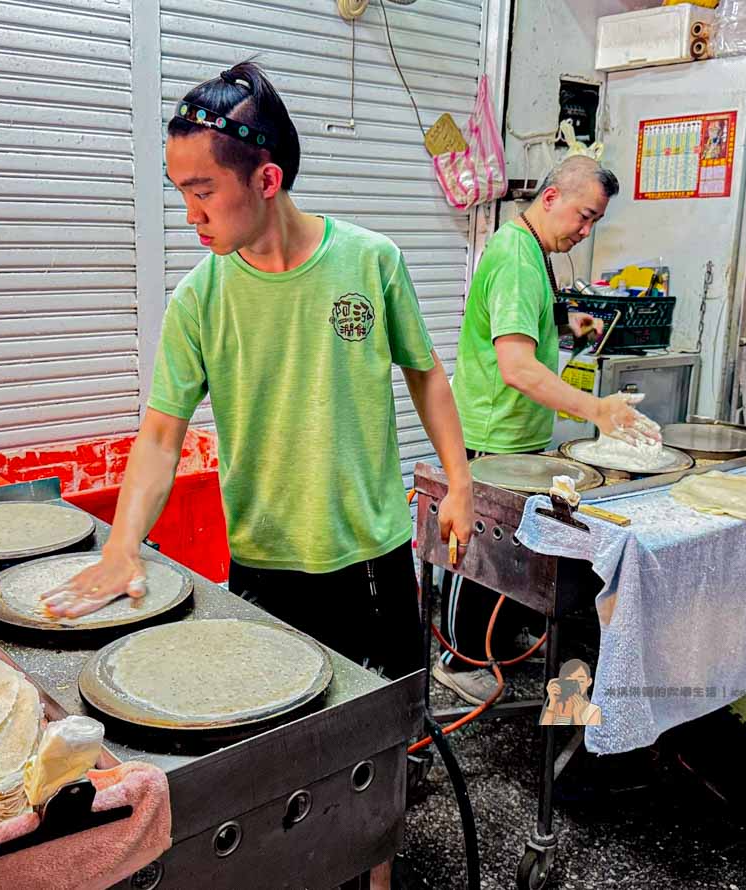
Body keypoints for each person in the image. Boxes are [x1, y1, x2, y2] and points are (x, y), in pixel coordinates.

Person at [42, 61, 474, 890]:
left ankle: (376, 879)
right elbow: (162, 435)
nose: (191, 213)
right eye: (180, 192)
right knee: (280, 758)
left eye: (203, 190)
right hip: (265, 567)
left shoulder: (370, 262)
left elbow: (426, 374)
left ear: (266, 178)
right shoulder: (199, 298)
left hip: (372, 557)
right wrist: (123, 546)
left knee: (379, 740)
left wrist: (456, 482)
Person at [435, 155, 660, 706]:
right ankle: (458, 659)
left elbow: (523, 321)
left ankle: (499, 638)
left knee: (515, 551)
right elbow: (516, 367)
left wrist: (567, 322)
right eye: (583, 217)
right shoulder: (516, 256)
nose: (585, 232)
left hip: (517, 432)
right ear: (552, 197)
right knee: (480, 555)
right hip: (494, 433)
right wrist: (597, 410)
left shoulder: (534, 248)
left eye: (595, 223)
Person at [539, 658, 602, 726]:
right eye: (570, 682)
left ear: (589, 682)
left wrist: (577, 715)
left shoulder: (593, 710)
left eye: (580, 681)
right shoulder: (555, 705)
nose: (575, 687)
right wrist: (552, 702)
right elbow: (545, 730)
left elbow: (586, 735)